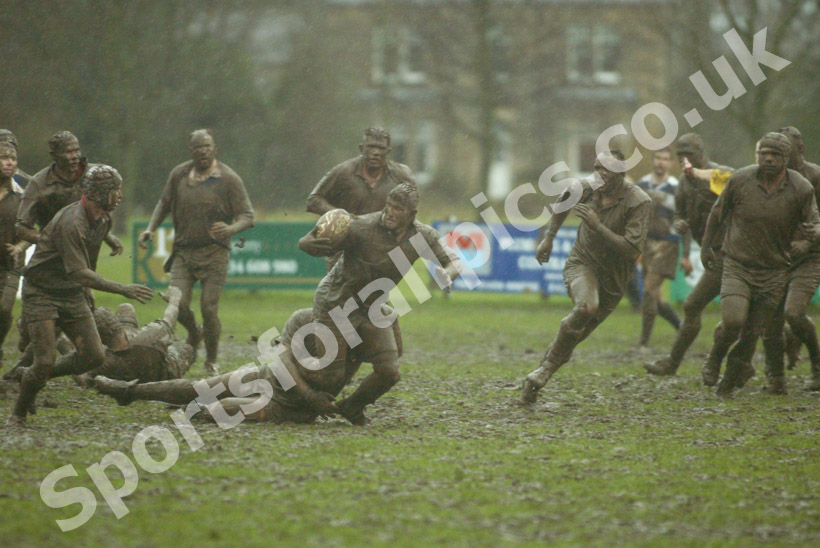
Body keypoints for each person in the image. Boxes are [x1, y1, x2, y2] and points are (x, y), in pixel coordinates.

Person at [5, 166, 154, 427]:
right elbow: (78, 271)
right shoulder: (72, 221)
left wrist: (86, 292)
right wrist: (122, 288)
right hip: (42, 292)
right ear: (100, 194)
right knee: (45, 359)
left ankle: (34, 375)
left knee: (94, 357)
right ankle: (17, 415)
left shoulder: (103, 218)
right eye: (115, 191)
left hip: (72, 292)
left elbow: (87, 266)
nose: (119, 196)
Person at [299, 183, 460, 424]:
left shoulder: (422, 236)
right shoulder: (360, 226)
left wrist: (448, 273)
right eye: (388, 205)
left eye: (397, 208)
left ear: (412, 214)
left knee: (389, 372)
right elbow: (308, 242)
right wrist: (308, 244)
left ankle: (351, 407)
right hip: (335, 304)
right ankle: (290, 387)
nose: (390, 212)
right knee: (330, 379)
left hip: (370, 309)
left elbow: (455, 261)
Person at [93, 307, 403, 424]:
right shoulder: (304, 318)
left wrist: (355, 405)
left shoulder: (370, 330)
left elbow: (391, 361)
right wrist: (310, 394)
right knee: (197, 388)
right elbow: (280, 361)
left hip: (292, 407)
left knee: (212, 409)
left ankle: (189, 412)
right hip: (272, 379)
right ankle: (128, 392)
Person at [522, 150, 652, 403]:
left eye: (607, 170)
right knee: (586, 307)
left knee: (575, 335)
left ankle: (537, 377)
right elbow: (562, 201)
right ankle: (543, 373)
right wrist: (549, 238)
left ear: (621, 174)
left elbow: (632, 250)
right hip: (582, 263)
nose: (599, 174)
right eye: (596, 168)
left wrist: (597, 226)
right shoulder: (587, 187)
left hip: (614, 277)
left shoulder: (639, 201)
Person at [700, 133, 819, 396]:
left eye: (775, 154)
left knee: (752, 333)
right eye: (764, 152)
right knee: (733, 321)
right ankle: (715, 357)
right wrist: (706, 246)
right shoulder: (741, 179)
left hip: (775, 271)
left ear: (786, 159)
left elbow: (816, 222)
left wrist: (812, 237)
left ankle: (728, 384)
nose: (767, 158)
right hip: (738, 264)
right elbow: (717, 213)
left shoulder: (801, 188)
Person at [138, 129, 254, 375]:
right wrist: (150, 229)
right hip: (183, 252)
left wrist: (230, 228)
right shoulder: (179, 174)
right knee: (177, 304)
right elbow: (163, 204)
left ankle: (211, 361)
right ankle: (194, 332)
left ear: (215, 149)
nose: (202, 151)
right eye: (197, 147)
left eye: (207, 146)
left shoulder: (229, 178)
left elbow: (247, 215)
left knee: (209, 308)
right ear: (190, 151)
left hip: (215, 253)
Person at [644, 134, 732, 377]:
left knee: (741, 316)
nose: (684, 159)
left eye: (688, 154)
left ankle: (734, 363)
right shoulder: (684, 182)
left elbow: (735, 184)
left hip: (734, 255)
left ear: (701, 152)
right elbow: (680, 214)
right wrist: (681, 223)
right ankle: (675, 363)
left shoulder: (719, 174)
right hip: (714, 255)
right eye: (680, 154)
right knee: (698, 307)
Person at [306, 127, 417, 270]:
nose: (375, 152)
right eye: (370, 147)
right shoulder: (343, 172)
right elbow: (313, 200)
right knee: (339, 291)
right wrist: (340, 216)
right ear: (361, 148)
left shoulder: (402, 176)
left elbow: (412, 210)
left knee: (376, 292)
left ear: (388, 151)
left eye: (380, 148)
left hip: (380, 253)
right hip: (345, 251)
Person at [44, 286, 195, 386]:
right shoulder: (150, 335)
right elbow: (170, 317)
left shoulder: (101, 361)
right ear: (116, 324)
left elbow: (83, 379)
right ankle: (195, 337)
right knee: (187, 349)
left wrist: (65, 348)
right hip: (165, 371)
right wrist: (175, 299)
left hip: (131, 361)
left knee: (125, 307)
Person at [16, 131, 123, 255]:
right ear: (54, 155)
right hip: (50, 258)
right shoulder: (39, 184)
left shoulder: (95, 176)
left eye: (77, 150)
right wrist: (50, 241)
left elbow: (99, 210)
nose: (75, 156)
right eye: (68, 152)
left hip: (84, 254)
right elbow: (21, 227)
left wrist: (106, 235)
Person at [635, 147, 683, 348]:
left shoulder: (677, 187)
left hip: (667, 244)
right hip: (647, 244)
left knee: (649, 290)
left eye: (665, 159)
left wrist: (686, 251)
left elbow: (683, 218)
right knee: (656, 296)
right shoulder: (642, 185)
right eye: (658, 158)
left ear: (671, 163)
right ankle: (683, 328)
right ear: (653, 160)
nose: (661, 162)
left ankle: (643, 342)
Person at [0, 142, 29, 364]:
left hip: (11, 264)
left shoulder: (22, 196)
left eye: (13, 158)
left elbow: (31, 232)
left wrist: (19, 247)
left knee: (4, 309)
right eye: (3, 157)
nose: (9, 161)